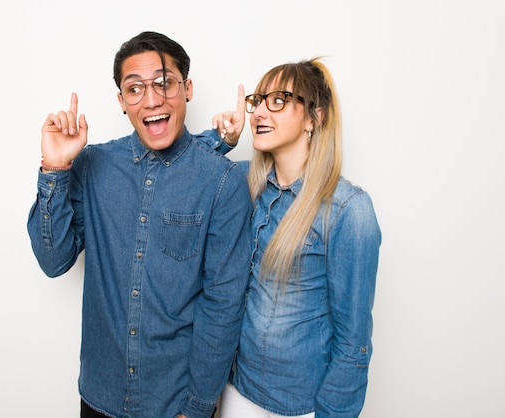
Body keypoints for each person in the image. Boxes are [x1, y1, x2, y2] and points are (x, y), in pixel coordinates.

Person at [27, 31, 252, 418]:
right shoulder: (93, 166)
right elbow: (53, 261)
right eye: (135, 89)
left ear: (188, 89)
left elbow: (223, 307)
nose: (151, 100)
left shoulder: (221, 181)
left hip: (175, 404)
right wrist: (55, 167)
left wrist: (196, 409)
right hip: (100, 395)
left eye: (165, 83)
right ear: (121, 101)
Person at [210, 58, 382, 417]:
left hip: (298, 405)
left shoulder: (348, 210)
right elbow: (182, 175)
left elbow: (354, 343)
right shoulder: (244, 185)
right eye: (258, 100)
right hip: (235, 390)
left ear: (313, 118)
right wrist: (219, 141)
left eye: (279, 100)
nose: (259, 112)